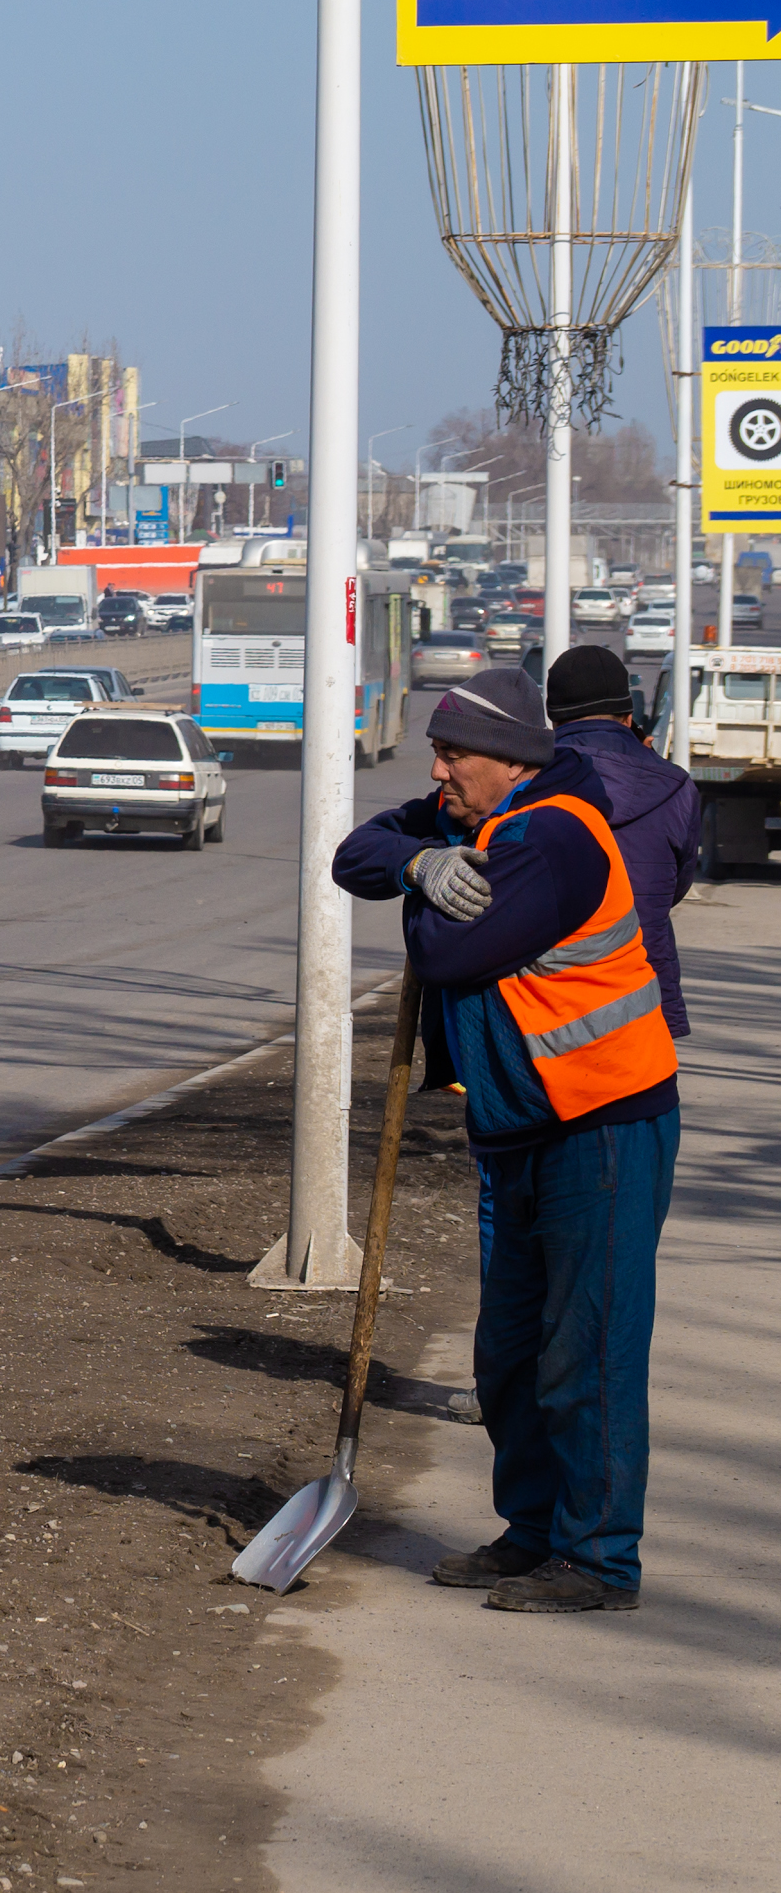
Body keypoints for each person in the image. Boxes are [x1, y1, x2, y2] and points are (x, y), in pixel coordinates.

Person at [333, 667, 678, 1612]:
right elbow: (354, 853)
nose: (436, 770)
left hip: (601, 1125)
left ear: (513, 759)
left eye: (452, 754)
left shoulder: (555, 838)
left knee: (587, 1352)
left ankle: (600, 1560)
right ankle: (534, 1534)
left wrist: (418, 887)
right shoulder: (481, 820)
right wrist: (415, 865)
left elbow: (449, 952)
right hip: (523, 1124)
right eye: (437, 753)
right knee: (512, 1356)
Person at [546, 644, 700, 1035]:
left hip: (549, 996)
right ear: (629, 717)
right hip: (643, 988)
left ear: (553, 718)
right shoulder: (676, 785)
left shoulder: (529, 777)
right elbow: (676, 887)